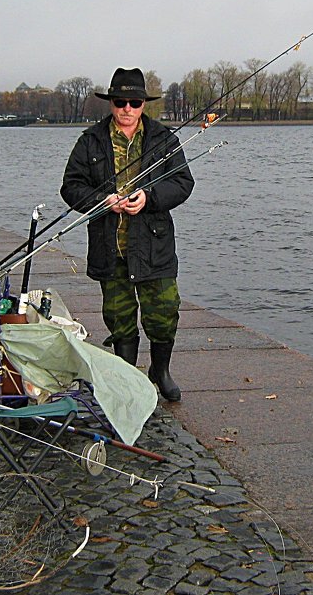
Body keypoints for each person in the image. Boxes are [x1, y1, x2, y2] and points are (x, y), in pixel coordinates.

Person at [61, 68, 194, 401]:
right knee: (119, 318)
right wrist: (100, 202)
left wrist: (150, 199)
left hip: (154, 246)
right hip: (110, 246)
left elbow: (182, 183)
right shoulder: (89, 141)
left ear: (143, 104)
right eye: (120, 102)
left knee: (164, 313)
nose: (127, 109)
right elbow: (71, 186)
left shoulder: (165, 140)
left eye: (134, 102)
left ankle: (160, 371)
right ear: (111, 103)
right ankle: (125, 379)